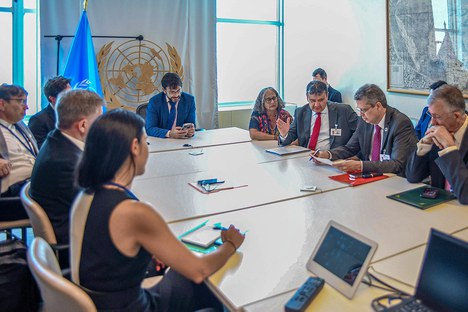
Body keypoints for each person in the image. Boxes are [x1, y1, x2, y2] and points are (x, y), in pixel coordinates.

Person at [74, 109, 245, 311]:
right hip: (134, 306)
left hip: (108, 302)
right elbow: (200, 270)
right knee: (205, 283)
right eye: (146, 142)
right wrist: (230, 245)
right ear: (135, 147)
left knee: (185, 277)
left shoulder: (85, 195)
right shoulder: (134, 213)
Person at [30, 89, 104, 253]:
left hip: (68, 228)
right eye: (98, 120)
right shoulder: (67, 163)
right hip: (81, 248)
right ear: (83, 125)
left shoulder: (56, 142)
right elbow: (101, 209)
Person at [314, 84, 417, 176]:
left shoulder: (400, 123)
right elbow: (350, 148)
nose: (361, 114)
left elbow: (396, 164)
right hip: (369, 177)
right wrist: (327, 154)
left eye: (363, 110)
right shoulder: (364, 121)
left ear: (378, 106)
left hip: (394, 179)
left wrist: (361, 165)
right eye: (359, 110)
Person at [406, 84, 468, 204]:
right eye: (431, 116)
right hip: (439, 206)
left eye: (437, 117)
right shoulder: (439, 130)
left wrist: (449, 149)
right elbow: (413, 177)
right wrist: (424, 145)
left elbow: (466, 195)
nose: (432, 122)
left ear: (456, 116)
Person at [277, 80, 358, 150]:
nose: (316, 105)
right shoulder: (300, 112)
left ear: (327, 96)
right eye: (312, 100)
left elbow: (360, 132)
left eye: (321, 100)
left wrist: (351, 152)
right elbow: (289, 139)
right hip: (307, 157)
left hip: (334, 158)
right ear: (307, 97)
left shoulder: (344, 111)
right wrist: (284, 135)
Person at [0, 83, 38, 221]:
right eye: (21, 101)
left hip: (33, 186)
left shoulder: (21, 126)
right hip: (10, 197)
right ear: (2, 104)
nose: (26, 107)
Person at [146, 73, 196, 139]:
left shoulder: (189, 100)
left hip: (182, 140)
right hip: (160, 141)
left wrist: (190, 131)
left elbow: (191, 123)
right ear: (164, 90)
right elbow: (150, 129)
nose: (176, 95)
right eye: (172, 92)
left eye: (178, 91)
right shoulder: (154, 102)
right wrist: (169, 133)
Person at [28, 76, 71, 148]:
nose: (72, 97)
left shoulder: (77, 114)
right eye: (67, 95)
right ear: (53, 99)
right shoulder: (38, 120)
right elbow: (41, 150)